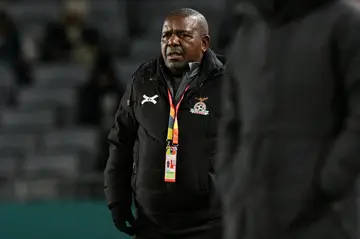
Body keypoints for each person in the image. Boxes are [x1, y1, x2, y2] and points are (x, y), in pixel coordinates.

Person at [217, 0, 360, 238]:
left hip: (322, 220)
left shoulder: (343, 25)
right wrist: (229, 181)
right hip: (248, 218)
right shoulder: (247, 31)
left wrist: (329, 182)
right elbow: (231, 120)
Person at [104, 8, 225, 239]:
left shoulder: (228, 82)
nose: (172, 42)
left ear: (204, 42)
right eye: (166, 35)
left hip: (210, 223)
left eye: (183, 35)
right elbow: (120, 142)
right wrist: (117, 200)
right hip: (152, 223)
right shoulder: (143, 79)